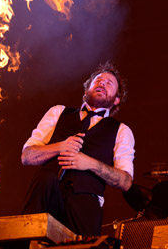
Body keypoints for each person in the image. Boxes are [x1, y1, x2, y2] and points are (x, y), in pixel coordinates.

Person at [21, 62, 135, 236]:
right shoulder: (58, 112)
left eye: (109, 83)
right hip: (47, 193)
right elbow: (27, 156)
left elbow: (125, 182)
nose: (102, 83)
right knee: (45, 180)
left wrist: (90, 164)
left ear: (116, 99)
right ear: (86, 90)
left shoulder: (121, 131)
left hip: (85, 203)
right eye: (98, 80)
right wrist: (60, 146)